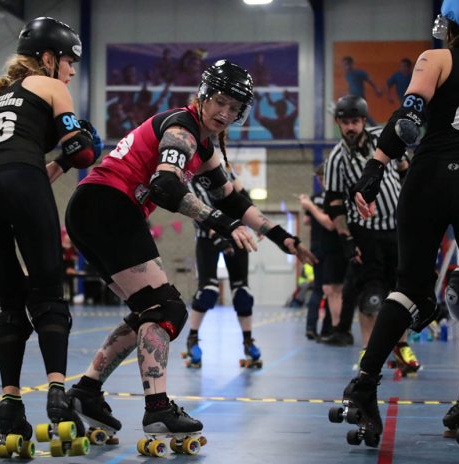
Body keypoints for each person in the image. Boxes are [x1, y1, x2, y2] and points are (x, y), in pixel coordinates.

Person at [64, 59, 316, 451]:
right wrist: (222, 224)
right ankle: (158, 408)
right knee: (167, 310)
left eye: (235, 108)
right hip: (107, 205)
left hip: (94, 209)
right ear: (202, 94)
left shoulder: (202, 143)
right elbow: (166, 185)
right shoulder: (182, 128)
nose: (225, 113)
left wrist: (283, 237)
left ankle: (86, 391)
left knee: (148, 311)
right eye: (219, 102)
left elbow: (234, 199)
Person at [332, 1, 459, 451]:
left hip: (428, 180)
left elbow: (408, 117)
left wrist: (373, 170)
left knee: (410, 290)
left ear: (451, 24)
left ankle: (364, 387)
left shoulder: (437, 58)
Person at [0, 17, 101, 458]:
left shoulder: (1, 98)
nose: (72, 72)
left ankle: (9, 405)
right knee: (48, 293)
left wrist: (55, 164)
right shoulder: (50, 86)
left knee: (11, 299)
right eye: (69, 62)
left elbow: (29, 157)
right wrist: (83, 140)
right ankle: (57, 395)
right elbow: (83, 149)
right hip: (20, 182)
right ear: (47, 59)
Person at [323, 94, 419, 373]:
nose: (350, 127)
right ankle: (368, 351)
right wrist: (347, 239)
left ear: (364, 121)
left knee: (401, 292)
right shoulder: (336, 159)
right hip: (365, 232)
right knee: (370, 295)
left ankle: (401, 347)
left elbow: (405, 167)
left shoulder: (381, 138)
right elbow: (335, 204)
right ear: (337, 123)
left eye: (355, 121)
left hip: (397, 227)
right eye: (345, 122)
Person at [183, 166, 263, 368]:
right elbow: (197, 212)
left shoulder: (224, 169)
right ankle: (192, 338)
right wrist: (219, 239)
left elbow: (242, 197)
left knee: (242, 292)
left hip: (235, 232)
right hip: (207, 237)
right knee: (208, 291)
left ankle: (247, 341)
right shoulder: (189, 175)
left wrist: (258, 223)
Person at [299, 162, 345, 340]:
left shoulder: (330, 197)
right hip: (320, 247)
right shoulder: (319, 196)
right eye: (319, 178)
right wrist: (309, 206)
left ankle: (331, 328)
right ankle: (323, 328)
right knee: (324, 288)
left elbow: (328, 222)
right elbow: (307, 221)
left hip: (332, 248)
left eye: (322, 178)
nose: (320, 181)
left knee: (330, 289)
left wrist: (311, 207)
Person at [341, 56, 382, 125]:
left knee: (361, 114)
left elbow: (370, 80)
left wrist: (377, 89)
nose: (345, 67)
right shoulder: (347, 75)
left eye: (346, 64)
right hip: (352, 98)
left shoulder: (359, 73)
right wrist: (347, 94)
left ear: (351, 64)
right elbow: (352, 87)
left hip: (359, 98)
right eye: (344, 65)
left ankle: (375, 126)